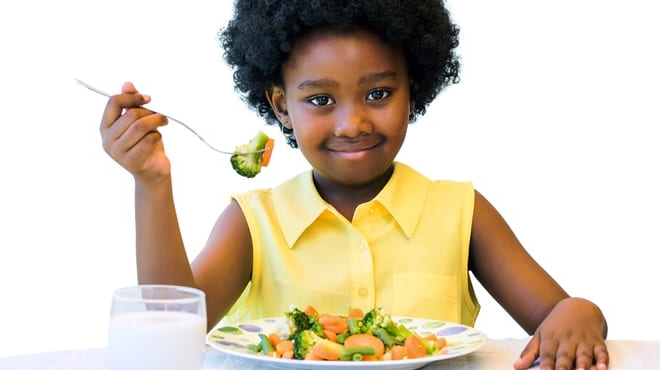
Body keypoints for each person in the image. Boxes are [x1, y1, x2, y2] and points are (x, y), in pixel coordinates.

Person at [98, 1, 608, 369]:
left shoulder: (460, 210)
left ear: (414, 92)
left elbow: (560, 313)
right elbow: (170, 324)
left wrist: (582, 313)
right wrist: (152, 183)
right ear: (281, 107)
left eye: (379, 93)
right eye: (320, 100)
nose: (352, 124)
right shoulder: (255, 221)